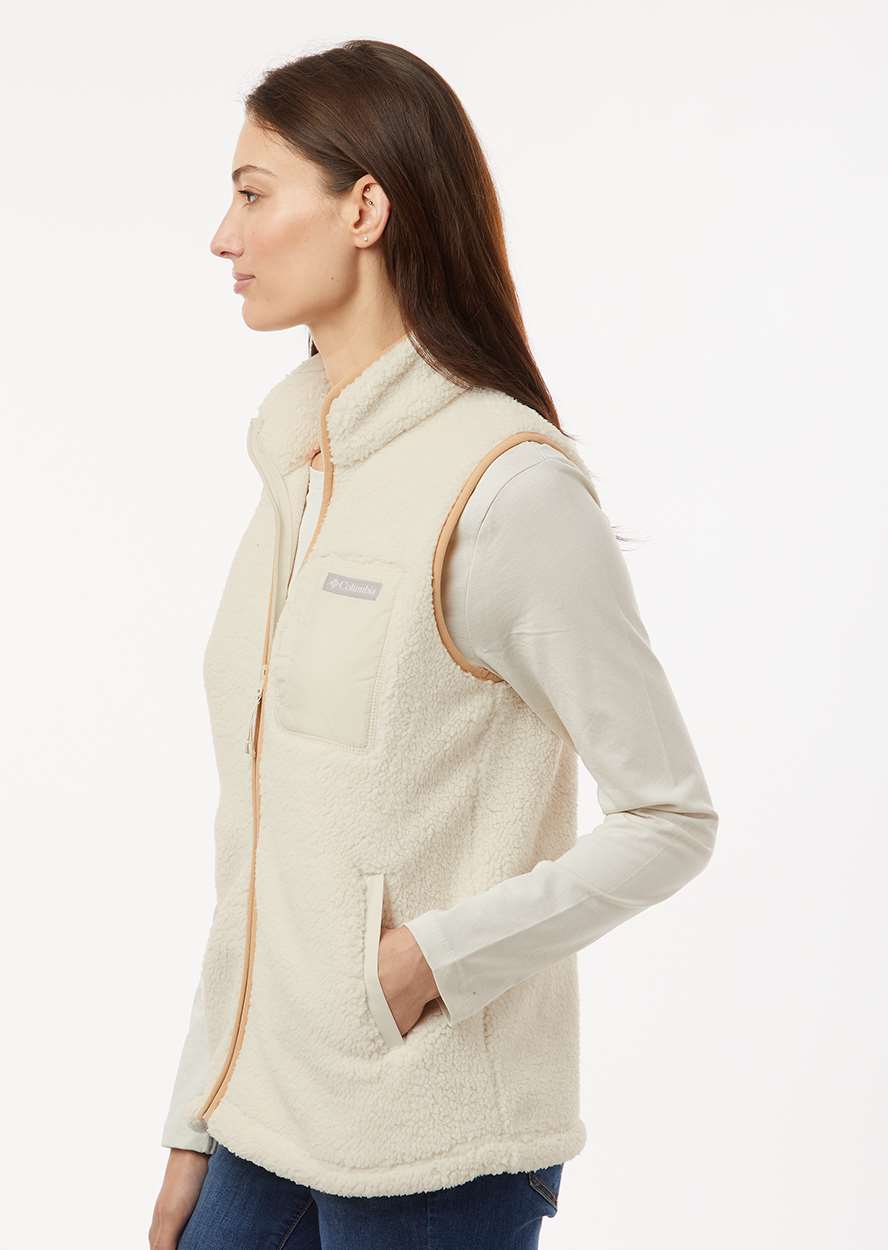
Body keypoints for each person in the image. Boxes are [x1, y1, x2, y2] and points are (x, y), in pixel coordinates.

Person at [149, 39, 718, 1250]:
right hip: (259, 1113)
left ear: (364, 208)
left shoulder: (505, 487)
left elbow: (669, 815)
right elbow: (261, 831)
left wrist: (427, 962)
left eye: (252, 193)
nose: (222, 235)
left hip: (430, 1147)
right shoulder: (297, 463)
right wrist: (197, 1109)